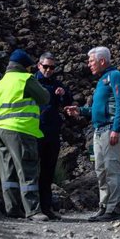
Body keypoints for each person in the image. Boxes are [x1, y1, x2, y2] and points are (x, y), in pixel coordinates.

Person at [65, 46, 120, 222]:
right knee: (100, 170)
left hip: (109, 130)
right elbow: (98, 108)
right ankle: (104, 206)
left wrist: (116, 128)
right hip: (98, 130)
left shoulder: (115, 76)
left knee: (112, 169)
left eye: (91, 61)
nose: (88, 64)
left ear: (102, 61)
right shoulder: (102, 80)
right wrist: (81, 111)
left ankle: (114, 209)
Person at [0, 49, 50, 221]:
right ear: (25, 67)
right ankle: (33, 210)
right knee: (27, 169)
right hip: (20, 130)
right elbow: (45, 97)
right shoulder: (25, 79)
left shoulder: (1, 82)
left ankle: (13, 209)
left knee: (7, 171)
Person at [35, 52, 73, 220]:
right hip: (34, 132)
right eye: (46, 66)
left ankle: (46, 208)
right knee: (33, 170)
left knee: (48, 171)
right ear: (39, 66)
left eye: (52, 67)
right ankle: (31, 208)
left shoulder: (57, 85)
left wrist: (63, 94)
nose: (49, 70)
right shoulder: (32, 82)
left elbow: (68, 103)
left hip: (52, 134)